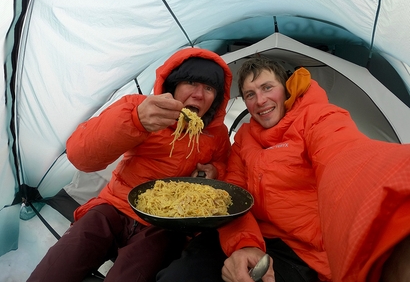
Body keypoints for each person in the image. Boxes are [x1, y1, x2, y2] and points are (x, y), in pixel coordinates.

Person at [157, 56, 410, 282]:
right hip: (250, 230)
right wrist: (244, 245)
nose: (260, 100)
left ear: (287, 89)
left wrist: (398, 180)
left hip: (301, 250)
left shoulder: (317, 119)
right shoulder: (244, 139)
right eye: (250, 94)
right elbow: (234, 194)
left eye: (268, 87)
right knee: (178, 275)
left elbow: (344, 157)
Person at [27, 47, 233, 282]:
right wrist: (136, 120)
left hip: (163, 225)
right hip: (113, 206)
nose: (199, 94)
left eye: (209, 88)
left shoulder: (217, 134)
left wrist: (216, 171)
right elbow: (80, 155)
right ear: (174, 85)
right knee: (56, 268)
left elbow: (224, 168)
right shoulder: (140, 106)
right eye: (191, 82)